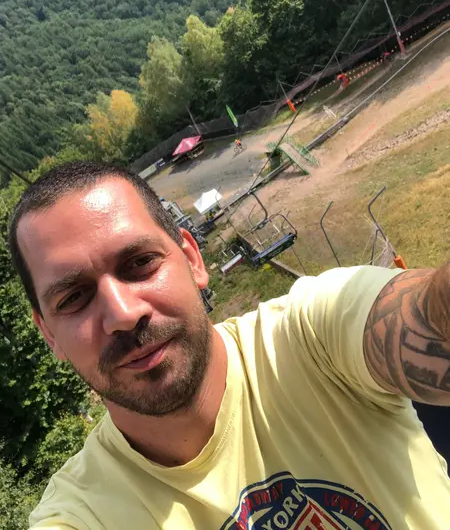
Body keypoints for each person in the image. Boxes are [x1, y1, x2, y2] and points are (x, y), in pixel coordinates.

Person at [8, 161, 450, 530]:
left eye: (140, 263)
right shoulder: (83, 513)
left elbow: (428, 318)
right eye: (74, 298)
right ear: (49, 334)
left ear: (192, 259)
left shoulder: (311, 337)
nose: (122, 313)